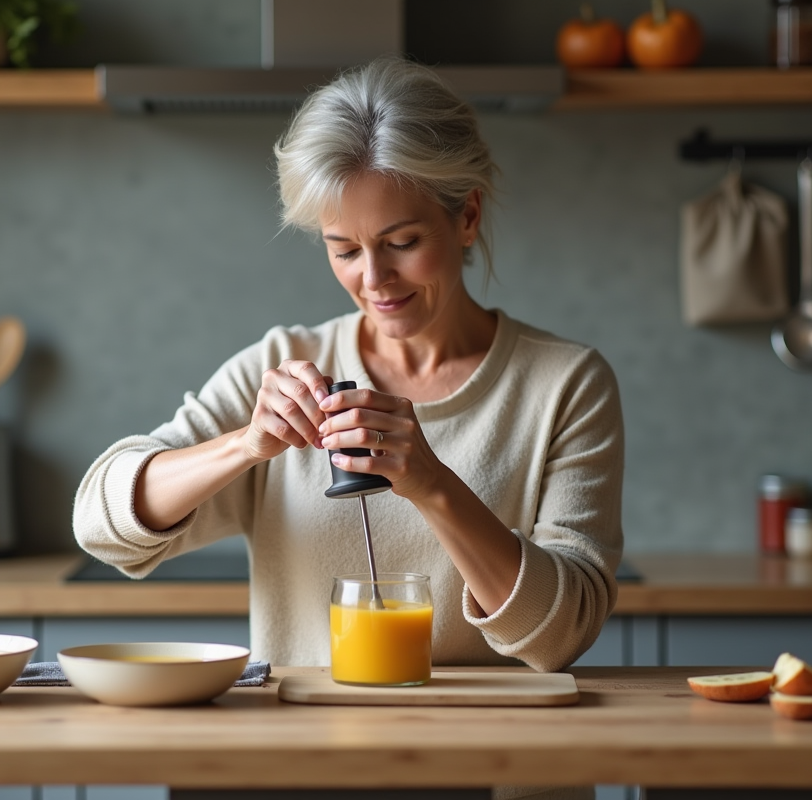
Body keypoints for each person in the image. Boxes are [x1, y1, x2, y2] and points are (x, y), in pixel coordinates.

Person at [73, 56, 624, 799]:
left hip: (496, 773)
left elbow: (563, 633)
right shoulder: (283, 363)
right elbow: (99, 521)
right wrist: (248, 444)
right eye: (344, 249)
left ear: (467, 216)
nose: (374, 279)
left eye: (401, 242)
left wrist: (429, 481)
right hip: (302, 771)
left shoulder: (565, 384)